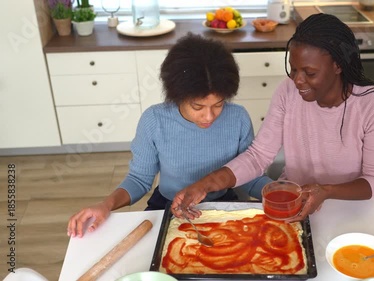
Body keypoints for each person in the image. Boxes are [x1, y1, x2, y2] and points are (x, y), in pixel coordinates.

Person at [171, 13, 374, 222]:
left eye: (309, 73)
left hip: (352, 209)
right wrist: (204, 185)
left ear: (337, 65)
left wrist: (327, 191)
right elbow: (258, 156)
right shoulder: (288, 91)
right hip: (295, 205)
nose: (297, 80)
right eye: (293, 69)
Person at [67, 33, 272, 238]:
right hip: (165, 204)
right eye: (197, 106)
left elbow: (248, 177)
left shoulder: (238, 118)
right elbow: (139, 179)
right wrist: (106, 205)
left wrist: (282, 193)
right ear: (177, 95)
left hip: (221, 204)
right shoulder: (154, 120)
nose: (209, 116)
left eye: (218, 105)